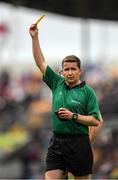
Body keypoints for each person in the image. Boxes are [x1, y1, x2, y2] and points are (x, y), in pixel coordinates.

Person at [29, 24, 103, 180]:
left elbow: (96, 120)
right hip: (57, 142)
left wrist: (73, 116)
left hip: (79, 144)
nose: (69, 72)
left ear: (79, 71)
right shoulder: (57, 83)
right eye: (66, 69)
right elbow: (40, 62)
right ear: (61, 72)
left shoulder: (88, 92)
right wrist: (34, 38)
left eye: (73, 69)